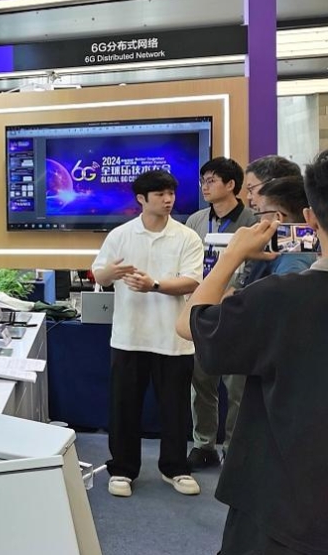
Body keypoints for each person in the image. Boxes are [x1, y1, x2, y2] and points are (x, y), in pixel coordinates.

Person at [176, 150, 328, 554]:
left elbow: (190, 323)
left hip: (284, 504)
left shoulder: (282, 297)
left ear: (309, 218)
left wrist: (230, 257)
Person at [91, 169, 204, 498]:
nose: (168, 200)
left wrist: (153, 284)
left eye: (171, 193)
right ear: (141, 199)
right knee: (124, 407)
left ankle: (175, 468)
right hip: (129, 336)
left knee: (175, 409)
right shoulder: (121, 235)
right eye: (160, 194)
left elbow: (192, 281)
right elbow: (100, 274)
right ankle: (122, 469)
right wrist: (111, 272)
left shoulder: (186, 237)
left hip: (174, 338)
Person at [183, 158, 256, 470]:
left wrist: (236, 289)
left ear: (231, 185)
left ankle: (233, 448)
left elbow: (258, 267)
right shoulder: (196, 220)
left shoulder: (252, 221)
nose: (205, 186)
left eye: (211, 180)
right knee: (201, 382)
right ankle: (204, 444)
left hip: (240, 313)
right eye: (203, 181)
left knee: (237, 387)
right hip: (204, 311)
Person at [244, 176, 318, 279]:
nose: (259, 222)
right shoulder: (301, 251)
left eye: (260, 213)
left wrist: (233, 256)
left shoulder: (292, 267)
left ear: (277, 218)